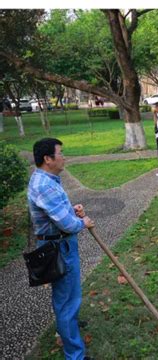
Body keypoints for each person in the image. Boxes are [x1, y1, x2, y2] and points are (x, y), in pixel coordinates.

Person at [27, 138, 94, 360]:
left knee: (66, 296)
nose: (64, 157)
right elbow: (67, 225)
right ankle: (75, 355)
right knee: (67, 301)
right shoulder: (45, 185)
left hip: (59, 243)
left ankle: (68, 325)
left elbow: (56, 212)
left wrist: (70, 208)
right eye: (60, 153)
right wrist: (82, 223)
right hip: (58, 247)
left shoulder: (47, 179)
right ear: (48, 159)